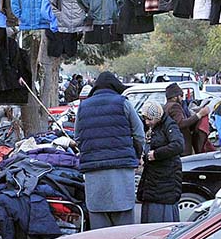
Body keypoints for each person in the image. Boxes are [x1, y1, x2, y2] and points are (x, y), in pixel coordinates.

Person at [74, 71, 145, 229]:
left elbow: (78, 138)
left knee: (100, 236)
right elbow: (139, 135)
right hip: (121, 174)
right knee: (124, 233)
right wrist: (136, 155)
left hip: (94, 176)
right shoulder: (123, 103)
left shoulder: (83, 106)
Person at [137, 102, 185, 224]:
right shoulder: (155, 126)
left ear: (158, 117)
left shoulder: (169, 125)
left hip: (165, 179)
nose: (147, 122)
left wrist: (156, 154)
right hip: (155, 180)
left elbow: (178, 145)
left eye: (149, 119)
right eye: (145, 119)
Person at [164, 83, 209, 156]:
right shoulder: (174, 106)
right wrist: (199, 115)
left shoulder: (166, 106)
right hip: (182, 147)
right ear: (175, 97)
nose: (182, 99)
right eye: (181, 96)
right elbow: (181, 123)